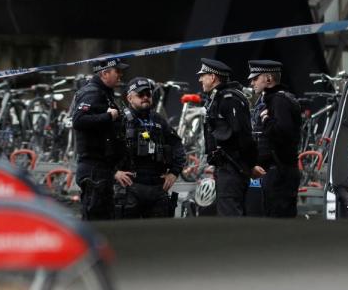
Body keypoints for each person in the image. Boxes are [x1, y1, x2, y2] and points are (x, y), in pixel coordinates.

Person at [114, 77, 186, 218]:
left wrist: (174, 172)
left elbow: (177, 145)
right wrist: (114, 172)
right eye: (141, 94)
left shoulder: (159, 120)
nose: (146, 97)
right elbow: (101, 150)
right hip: (129, 187)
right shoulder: (120, 119)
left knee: (158, 236)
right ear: (129, 98)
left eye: (148, 94)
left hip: (157, 188)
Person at [198, 58, 257, 217]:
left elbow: (243, 135)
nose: (200, 79)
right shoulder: (219, 97)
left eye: (203, 75)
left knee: (230, 220)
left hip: (233, 168)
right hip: (227, 167)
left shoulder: (228, 99)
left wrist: (250, 165)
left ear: (212, 77)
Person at [71, 56, 129, 220]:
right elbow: (78, 121)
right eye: (117, 71)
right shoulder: (92, 93)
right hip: (93, 169)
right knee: (95, 221)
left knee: (104, 219)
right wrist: (107, 116)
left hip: (102, 169)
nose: (120, 75)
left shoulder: (104, 92)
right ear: (104, 73)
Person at [249, 59, 302, 218]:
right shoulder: (278, 99)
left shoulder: (279, 101)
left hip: (279, 172)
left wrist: (266, 120)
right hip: (278, 171)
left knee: (277, 221)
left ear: (268, 79)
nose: (252, 82)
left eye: (255, 78)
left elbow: (283, 133)